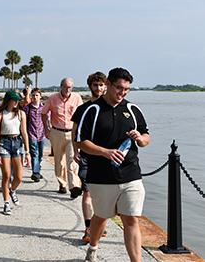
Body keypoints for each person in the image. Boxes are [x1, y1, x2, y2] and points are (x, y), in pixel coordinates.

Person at [75, 68, 150, 262]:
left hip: (131, 173)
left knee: (131, 219)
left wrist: (140, 139)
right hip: (101, 176)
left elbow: (146, 135)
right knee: (100, 216)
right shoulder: (92, 110)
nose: (122, 93)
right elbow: (79, 142)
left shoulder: (133, 110)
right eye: (118, 88)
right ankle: (93, 247)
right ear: (108, 84)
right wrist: (105, 152)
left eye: (126, 89)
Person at [70, 71, 107, 242]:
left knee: (104, 194)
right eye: (95, 85)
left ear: (106, 86)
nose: (98, 88)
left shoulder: (109, 107)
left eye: (101, 85)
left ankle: (99, 225)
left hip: (106, 157)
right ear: (90, 86)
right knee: (87, 193)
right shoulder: (83, 108)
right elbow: (75, 131)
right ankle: (88, 227)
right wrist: (76, 151)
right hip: (86, 156)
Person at [41, 77, 83, 198]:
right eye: (65, 87)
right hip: (57, 132)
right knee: (59, 161)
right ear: (61, 86)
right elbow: (43, 113)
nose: (67, 89)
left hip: (72, 133)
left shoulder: (77, 98)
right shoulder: (53, 98)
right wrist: (46, 129)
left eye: (70, 87)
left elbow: (81, 115)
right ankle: (62, 183)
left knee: (72, 160)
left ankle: (74, 186)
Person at [0, 90, 31, 215]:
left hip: (18, 143)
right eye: (14, 100)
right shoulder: (0, 114)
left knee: (19, 177)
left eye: (17, 100)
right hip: (4, 143)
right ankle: (6, 203)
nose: (16, 102)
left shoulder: (21, 114)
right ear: (8, 100)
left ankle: (12, 190)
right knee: (6, 175)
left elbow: (24, 133)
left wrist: (27, 152)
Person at [23, 88, 46, 182]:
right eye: (33, 95)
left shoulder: (44, 107)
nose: (35, 97)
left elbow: (48, 119)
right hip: (31, 133)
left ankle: (38, 171)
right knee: (34, 153)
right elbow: (24, 121)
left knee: (40, 155)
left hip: (42, 134)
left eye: (37, 95)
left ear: (40, 96)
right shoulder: (27, 108)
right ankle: (35, 172)